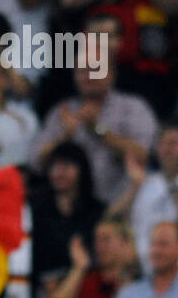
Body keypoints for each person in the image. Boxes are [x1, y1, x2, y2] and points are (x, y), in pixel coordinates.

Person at [31, 39, 160, 204]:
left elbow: (144, 155)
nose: (88, 76)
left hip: (122, 206)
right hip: (73, 210)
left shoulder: (133, 108)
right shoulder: (62, 111)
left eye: (95, 69)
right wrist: (64, 137)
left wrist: (98, 130)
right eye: (82, 71)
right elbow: (36, 163)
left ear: (112, 73)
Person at [109, 121, 178, 268]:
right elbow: (110, 218)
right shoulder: (145, 182)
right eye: (163, 143)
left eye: (173, 143)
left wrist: (172, 184)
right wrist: (135, 187)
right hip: (141, 268)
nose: (167, 148)